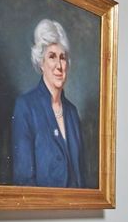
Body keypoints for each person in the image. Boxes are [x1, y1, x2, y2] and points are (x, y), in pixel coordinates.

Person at [10, 18, 83, 188]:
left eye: (63, 58)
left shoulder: (72, 112)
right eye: (52, 57)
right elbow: (23, 179)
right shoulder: (25, 107)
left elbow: (81, 176)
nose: (59, 65)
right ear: (41, 62)